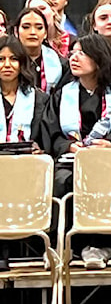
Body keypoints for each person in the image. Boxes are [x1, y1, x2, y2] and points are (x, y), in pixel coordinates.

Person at [43, 34, 111, 270]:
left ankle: (99, 245)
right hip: (71, 159)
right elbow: (50, 130)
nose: (74, 57)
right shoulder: (63, 95)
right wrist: (68, 146)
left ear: (99, 58)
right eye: (72, 52)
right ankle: (61, 244)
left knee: (103, 180)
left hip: (110, 161)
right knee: (61, 180)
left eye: (81, 53)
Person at [0, 35, 49, 271]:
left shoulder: (39, 99)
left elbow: (46, 137)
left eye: (13, 59)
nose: (6, 65)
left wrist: (39, 149)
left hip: (27, 170)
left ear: (22, 63)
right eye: (0, 59)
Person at [14, 7, 69, 92]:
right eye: (26, 27)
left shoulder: (61, 64)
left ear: (45, 33)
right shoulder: (6, 61)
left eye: (39, 28)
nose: (32, 32)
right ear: (16, 32)